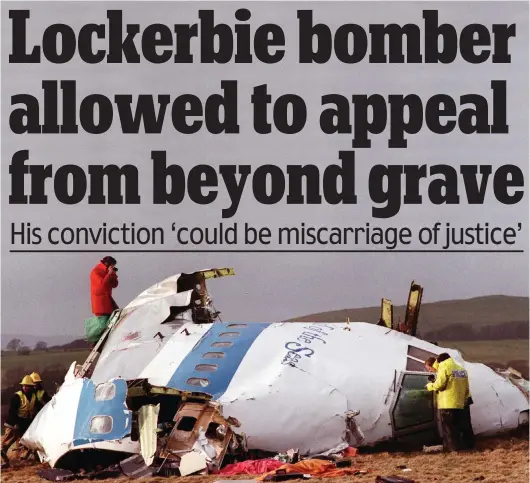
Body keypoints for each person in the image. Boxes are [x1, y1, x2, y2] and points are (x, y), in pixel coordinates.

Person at [425, 353, 471, 452]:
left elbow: (439, 385)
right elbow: (467, 388)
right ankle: (466, 446)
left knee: (449, 428)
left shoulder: (444, 367)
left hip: (447, 403)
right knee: (460, 426)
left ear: (437, 361)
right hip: (460, 403)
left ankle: (453, 448)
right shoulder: (461, 369)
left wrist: (430, 386)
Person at [1, 376, 37, 468]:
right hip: (12, 424)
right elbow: (12, 412)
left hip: (23, 423)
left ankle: (21, 459)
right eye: (24, 385)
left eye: (28, 386)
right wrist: (15, 424)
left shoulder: (33, 396)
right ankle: (3, 459)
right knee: (7, 442)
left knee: (24, 441)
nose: (25, 387)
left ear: (32, 387)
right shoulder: (16, 396)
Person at [86, 256, 119, 347]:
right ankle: (95, 341)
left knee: (113, 317)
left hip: (107, 299)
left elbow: (114, 285)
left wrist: (113, 274)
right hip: (100, 301)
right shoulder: (96, 272)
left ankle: (100, 342)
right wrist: (109, 274)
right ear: (107, 264)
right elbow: (102, 286)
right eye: (112, 266)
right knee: (103, 321)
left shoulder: (106, 271)